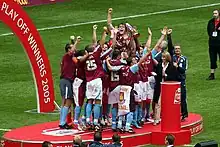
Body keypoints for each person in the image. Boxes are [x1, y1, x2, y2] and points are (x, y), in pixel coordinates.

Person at [167, 29, 188, 121]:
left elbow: (183, 70)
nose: (177, 50)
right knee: (173, 98)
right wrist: (169, 36)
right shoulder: (172, 57)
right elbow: (169, 47)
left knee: (183, 98)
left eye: (178, 49)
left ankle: (184, 114)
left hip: (181, 80)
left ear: (181, 50)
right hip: (173, 80)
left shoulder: (184, 59)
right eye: (176, 49)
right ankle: (173, 113)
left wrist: (177, 67)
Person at [59, 43, 76, 129]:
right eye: (72, 47)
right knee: (68, 101)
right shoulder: (68, 56)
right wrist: (76, 41)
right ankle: (62, 123)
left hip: (64, 80)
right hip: (67, 81)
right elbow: (72, 51)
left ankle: (62, 121)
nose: (74, 49)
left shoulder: (65, 57)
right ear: (68, 50)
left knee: (64, 101)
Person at [207, 10, 220, 80]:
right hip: (212, 44)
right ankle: (212, 74)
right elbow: (208, 31)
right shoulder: (211, 22)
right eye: (213, 13)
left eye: (216, 13)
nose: (214, 15)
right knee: (212, 59)